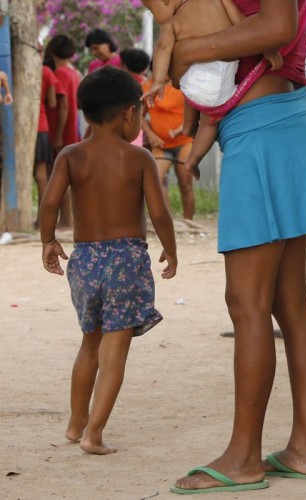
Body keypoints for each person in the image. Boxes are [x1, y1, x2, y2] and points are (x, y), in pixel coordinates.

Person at [163, 0, 306, 494]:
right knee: (287, 299)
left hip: (261, 133)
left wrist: (189, 47)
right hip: (288, 122)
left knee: (247, 302)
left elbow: (276, 27)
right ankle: (303, 449)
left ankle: (243, 457)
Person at [39, 66, 178, 455]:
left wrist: (48, 241)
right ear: (129, 114)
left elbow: (49, 203)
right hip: (126, 260)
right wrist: (171, 247)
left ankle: (75, 422)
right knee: (113, 352)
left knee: (89, 345)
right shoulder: (139, 158)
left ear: (84, 112)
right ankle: (94, 434)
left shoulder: (70, 155)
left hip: (84, 260)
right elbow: (160, 213)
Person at [141, 0, 283, 180]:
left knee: (194, 95)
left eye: (151, 9)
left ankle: (188, 128)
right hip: (220, 80)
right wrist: (266, 48)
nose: (154, 16)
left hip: (192, 82)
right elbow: (242, 23)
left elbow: (163, 48)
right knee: (210, 122)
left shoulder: (172, 23)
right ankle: (194, 158)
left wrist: (158, 81)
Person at [142, 73, 196, 219]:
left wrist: (179, 130)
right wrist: (150, 134)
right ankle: (169, 221)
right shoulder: (147, 87)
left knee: (185, 184)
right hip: (160, 144)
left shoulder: (183, 85)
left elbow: (196, 113)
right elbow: (139, 115)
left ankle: (188, 222)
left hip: (183, 142)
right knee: (156, 181)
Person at [44, 34, 82, 228]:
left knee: (59, 175)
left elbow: (64, 105)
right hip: (73, 129)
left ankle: (66, 219)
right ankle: (69, 217)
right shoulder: (75, 73)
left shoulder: (59, 73)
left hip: (62, 130)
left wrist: (58, 134)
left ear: (51, 51)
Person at [34, 63, 58, 228]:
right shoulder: (45, 71)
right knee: (41, 175)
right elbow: (52, 102)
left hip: (11, 127)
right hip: (40, 125)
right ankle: (41, 221)